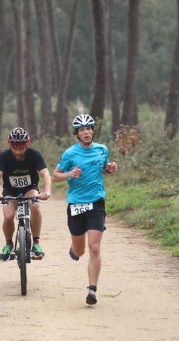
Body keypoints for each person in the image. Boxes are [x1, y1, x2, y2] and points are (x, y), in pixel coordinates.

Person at [52, 114, 118, 305]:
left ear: (93, 130)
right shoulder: (70, 154)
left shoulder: (102, 149)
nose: (86, 132)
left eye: (89, 128)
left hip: (96, 203)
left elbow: (104, 169)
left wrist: (110, 169)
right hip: (76, 204)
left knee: (94, 247)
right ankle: (74, 249)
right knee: (80, 250)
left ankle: (92, 290)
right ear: (77, 133)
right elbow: (55, 175)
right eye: (82, 130)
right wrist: (68, 174)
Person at [0, 127, 52, 261]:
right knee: (8, 216)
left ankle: (36, 243)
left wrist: (47, 192)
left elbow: (45, 173)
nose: (18, 152)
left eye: (21, 148)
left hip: (30, 188)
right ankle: (8, 244)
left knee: (35, 207)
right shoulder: (4, 156)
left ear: (27, 145)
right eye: (15, 148)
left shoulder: (35, 155)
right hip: (10, 191)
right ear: (10, 145)